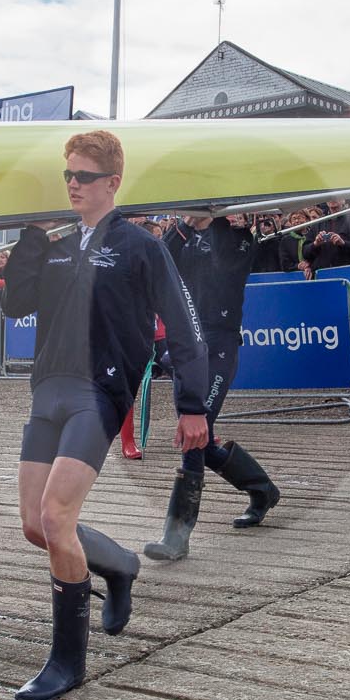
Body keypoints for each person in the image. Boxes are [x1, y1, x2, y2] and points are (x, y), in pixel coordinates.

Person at [0, 130, 208, 700]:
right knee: (36, 527)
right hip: (49, 391)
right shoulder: (59, 245)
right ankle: (118, 567)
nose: (72, 184)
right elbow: (15, 305)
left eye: (84, 176)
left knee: (57, 515)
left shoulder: (143, 247)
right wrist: (28, 242)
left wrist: (192, 404)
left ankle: (66, 661)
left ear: (113, 182)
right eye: (68, 175)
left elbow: (184, 327)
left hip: (100, 392)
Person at [144, 215, 277, 561]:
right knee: (201, 434)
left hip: (220, 343)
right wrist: (186, 227)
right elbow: (158, 261)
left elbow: (226, 267)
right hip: (187, 342)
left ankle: (177, 536)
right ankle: (262, 489)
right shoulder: (181, 235)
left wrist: (212, 225)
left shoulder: (238, 237)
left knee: (195, 433)